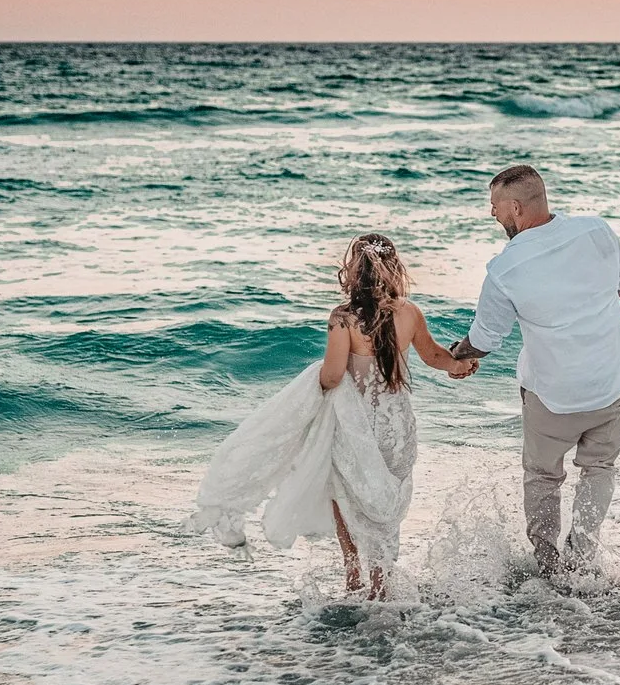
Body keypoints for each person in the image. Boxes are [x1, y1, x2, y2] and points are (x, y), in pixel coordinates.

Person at [195, 233, 474, 598]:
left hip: (355, 425)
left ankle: (354, 577)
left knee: (345, 495)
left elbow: (332, 376)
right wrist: (460, 364)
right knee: (386, 501)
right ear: (394, 268)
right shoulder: (409, 312)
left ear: (353, 272)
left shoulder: (343, 319)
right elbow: (435, 356)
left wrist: (308, 394)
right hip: (397, 426)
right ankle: (382, 580)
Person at [447, 164, 620, 579]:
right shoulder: (596, 231)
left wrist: (459, 354)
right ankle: (581, 555)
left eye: (495, 207)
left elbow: (486, 337)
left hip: (554, 396)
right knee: (600, 469)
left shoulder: (506, 268)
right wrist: (588, 298)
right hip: (612, 385)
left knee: (542, 476)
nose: (493, 215)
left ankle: (547, 563)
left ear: (516, 208)